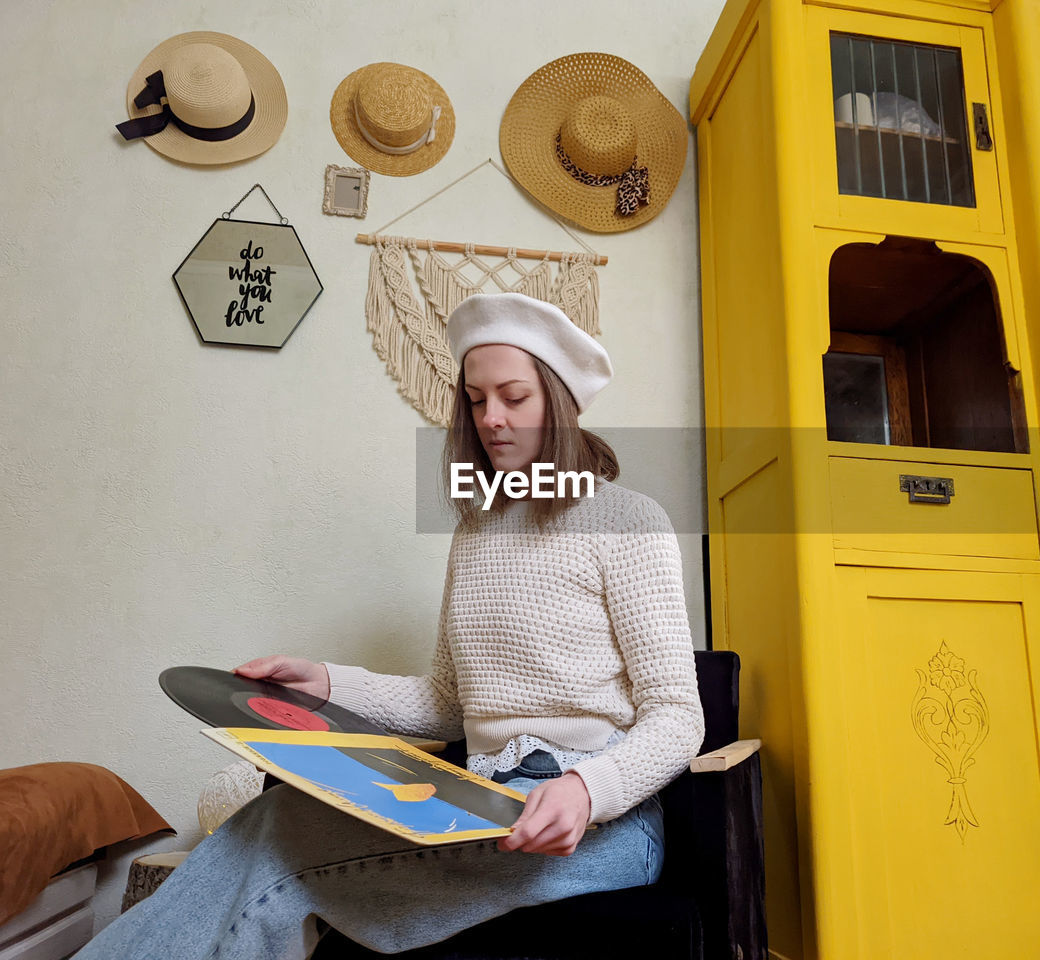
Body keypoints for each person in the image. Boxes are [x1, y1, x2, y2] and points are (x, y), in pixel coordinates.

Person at [74, 292, 705, 959]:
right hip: (487, 800)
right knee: (276, 818)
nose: (491, 418)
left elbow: (677, 715)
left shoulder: (627, 521)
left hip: (605, 827)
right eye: (476, 398)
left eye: (514, 397)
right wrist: (321, 682)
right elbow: (447, 702)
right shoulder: (476, 533)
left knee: (282, 846)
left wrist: (585, 789)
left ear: (559, 400)